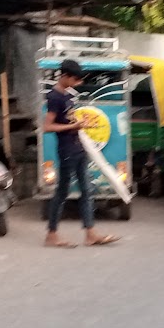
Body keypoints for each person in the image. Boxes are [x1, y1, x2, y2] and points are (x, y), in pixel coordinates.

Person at [44, 59, 118, 249]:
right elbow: (48, 126)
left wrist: (82, 123)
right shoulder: (55, 97)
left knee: (87, 191)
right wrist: (74, 126)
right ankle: (52, 235)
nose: (77, 83)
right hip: (67, 151)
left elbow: (70, 120)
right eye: (75, 79)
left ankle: (90, 234)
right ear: (65, 76)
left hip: (78, 148)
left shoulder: (68, 96)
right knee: (62, 193)